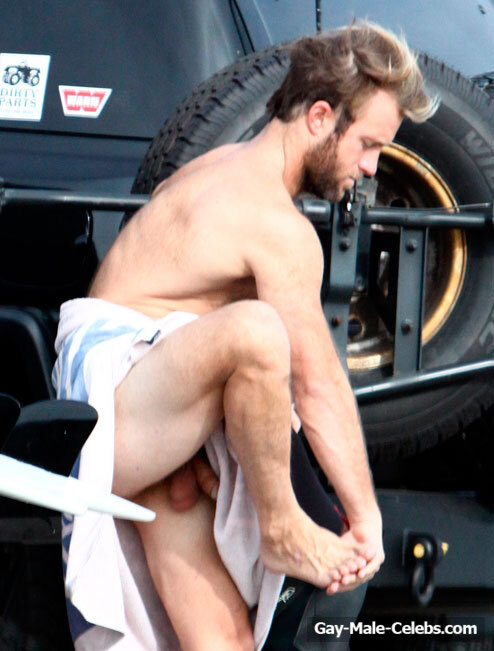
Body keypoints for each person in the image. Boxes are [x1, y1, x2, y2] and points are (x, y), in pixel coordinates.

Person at [53, 20, 438, 650]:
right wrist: (365, 517)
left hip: (146, 431)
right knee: (260, 333)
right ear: (320, 117)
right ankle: (281, 529)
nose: (370, 169)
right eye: (368, 144)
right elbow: (316, 386)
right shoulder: (277, 226)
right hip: (111, 417)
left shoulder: (209, 167)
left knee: (223, 637)